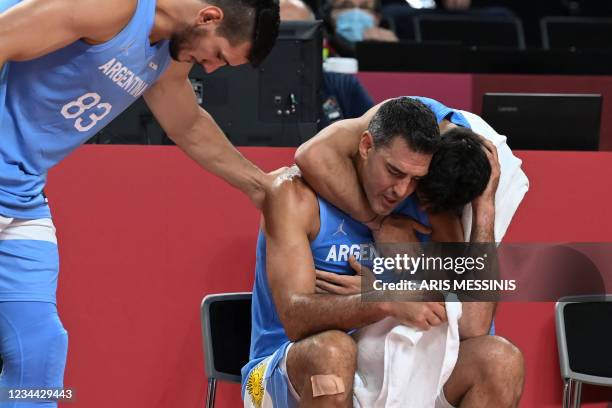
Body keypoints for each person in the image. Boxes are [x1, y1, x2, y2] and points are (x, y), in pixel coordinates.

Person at [0, 0, 279, 404]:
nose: (211, 67)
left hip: (22, 195)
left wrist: (262, 187)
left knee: (40, 347)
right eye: (218, 55)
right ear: (209, 17)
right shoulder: (113, 7)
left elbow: (188, 124)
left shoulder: (167, 53)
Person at [242, 97, 524, 407]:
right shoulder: (293, 194)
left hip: (386, 365)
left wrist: (485, 206)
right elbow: (295, 319)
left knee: (501, 361)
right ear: (366, 146)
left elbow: (472, 325)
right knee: (334, 354)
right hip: (281, 371)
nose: (401, 190)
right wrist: (384, 301)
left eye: (415, 179)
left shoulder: (426, 206)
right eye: (393, 171)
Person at [279, 0, 375, 129]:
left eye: (299, 31)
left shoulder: (343, 87)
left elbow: (376, 140)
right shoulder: (244, 86)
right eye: (280, 33)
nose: (289, 42)